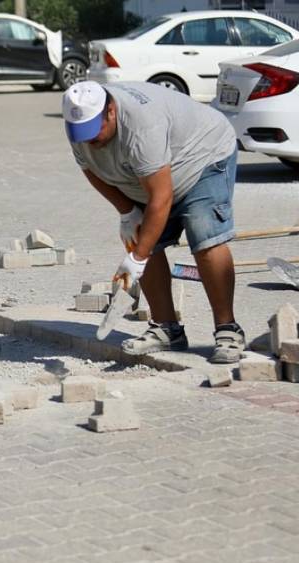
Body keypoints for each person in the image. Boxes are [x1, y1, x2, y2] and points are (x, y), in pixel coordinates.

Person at [63, 80, 245, 364]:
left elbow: (161, 197)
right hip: (149, 173)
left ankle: (228, 330)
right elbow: (90, 168)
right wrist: (126, 212)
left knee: (204, 234)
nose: (89, 141)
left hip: (202, 157)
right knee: (141, 235)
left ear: (110, 111)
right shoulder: (79, 120)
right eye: (82, 134)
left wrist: (138, 257)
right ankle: (166, 329)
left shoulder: (141, 125)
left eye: (94, 134)